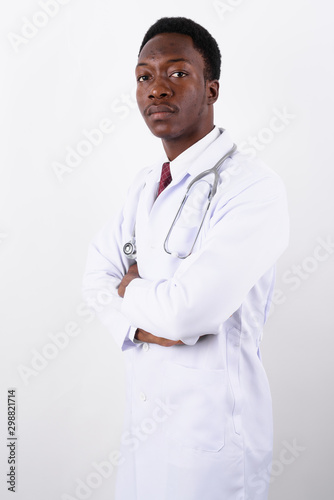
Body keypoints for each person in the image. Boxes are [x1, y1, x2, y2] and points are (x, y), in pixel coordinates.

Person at [82, 16, 289, 500]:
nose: (157, 89)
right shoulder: (143, 185)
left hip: (211, 445)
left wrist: (130, 288)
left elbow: (188, 311)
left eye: (177, 73)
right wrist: (137, 327)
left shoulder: (253, 188)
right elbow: (95, 278)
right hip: (144, 433)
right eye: (144, 76)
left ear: (212, 89)